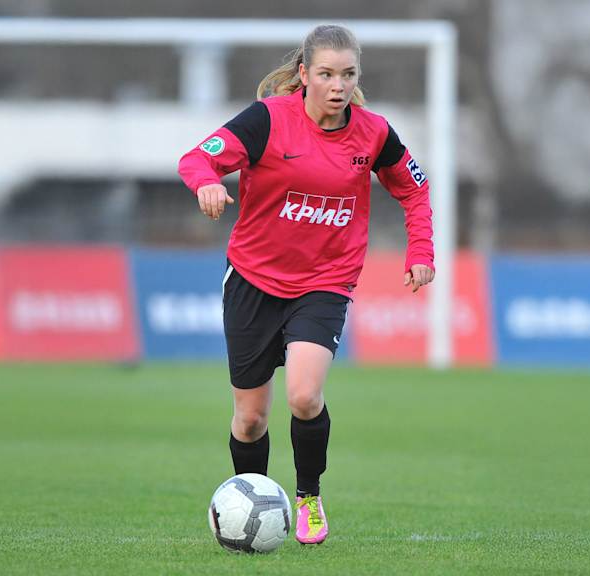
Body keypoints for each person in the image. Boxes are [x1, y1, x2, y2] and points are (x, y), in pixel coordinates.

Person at [178, 23, 435, 545]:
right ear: (304, 74)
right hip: (253, 279)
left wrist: (421, 252)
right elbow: (196, 157)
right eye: (326, 74)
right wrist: (206, 181)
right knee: (249, 420)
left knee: (303, 395)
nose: (338, 85)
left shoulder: (375, 134)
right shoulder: (268, 121)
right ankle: (254, 500)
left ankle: (309, 497)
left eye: (348, 74)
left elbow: (414, 191)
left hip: (326, 281)